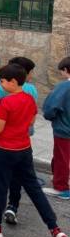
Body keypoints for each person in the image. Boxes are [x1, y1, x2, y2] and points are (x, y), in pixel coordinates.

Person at [0, 64, 68, 237]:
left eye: (3, 81)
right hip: (24, 149)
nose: (0, 84)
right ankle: (54, 229)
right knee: (34, 189)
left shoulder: (6, 102)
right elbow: (31, 122)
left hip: (4, 150)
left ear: (13, 82)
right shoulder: (30, 99)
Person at [0, 56, 40, 224]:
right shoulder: (31, 90)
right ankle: (12, 205)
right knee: (17, 174)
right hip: (22, 140)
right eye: (30, 72)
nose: (31, 76)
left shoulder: (0, 85)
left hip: (1, 137)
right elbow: (32, 117)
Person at [42, 57, 70, 200]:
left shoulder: (64, 86)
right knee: (65, 157)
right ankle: (61, 180)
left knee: (61, 158)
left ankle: (61, 188)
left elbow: (51, 107)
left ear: (65, 70)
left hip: (64, 129)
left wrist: (50, 116)